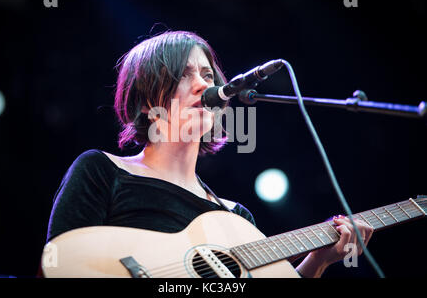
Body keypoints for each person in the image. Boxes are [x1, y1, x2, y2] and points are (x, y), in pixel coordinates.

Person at [45, 30, 373, 278]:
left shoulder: (236, 219)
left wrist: (319, 261)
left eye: (207, 75)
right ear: (147, 102)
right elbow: (61, 263)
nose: (204, 85)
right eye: (183, 74)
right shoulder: (102, 171)